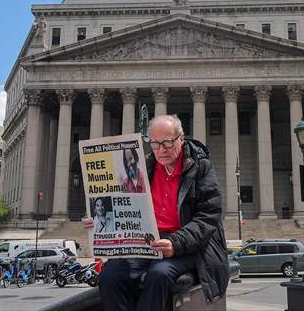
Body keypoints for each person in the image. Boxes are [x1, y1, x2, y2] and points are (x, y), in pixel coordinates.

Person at [83, 115, 229, 311]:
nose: (161, 150)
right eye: (155, 144)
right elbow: (125, 207)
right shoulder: (144, 168)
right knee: (110, 274)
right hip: (148, 241)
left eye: (167, 143)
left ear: (181, 139)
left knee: (159, 274)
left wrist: (175, 243)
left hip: (189, 245)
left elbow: (209, 215)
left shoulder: (200, 167)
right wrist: (101, 219)